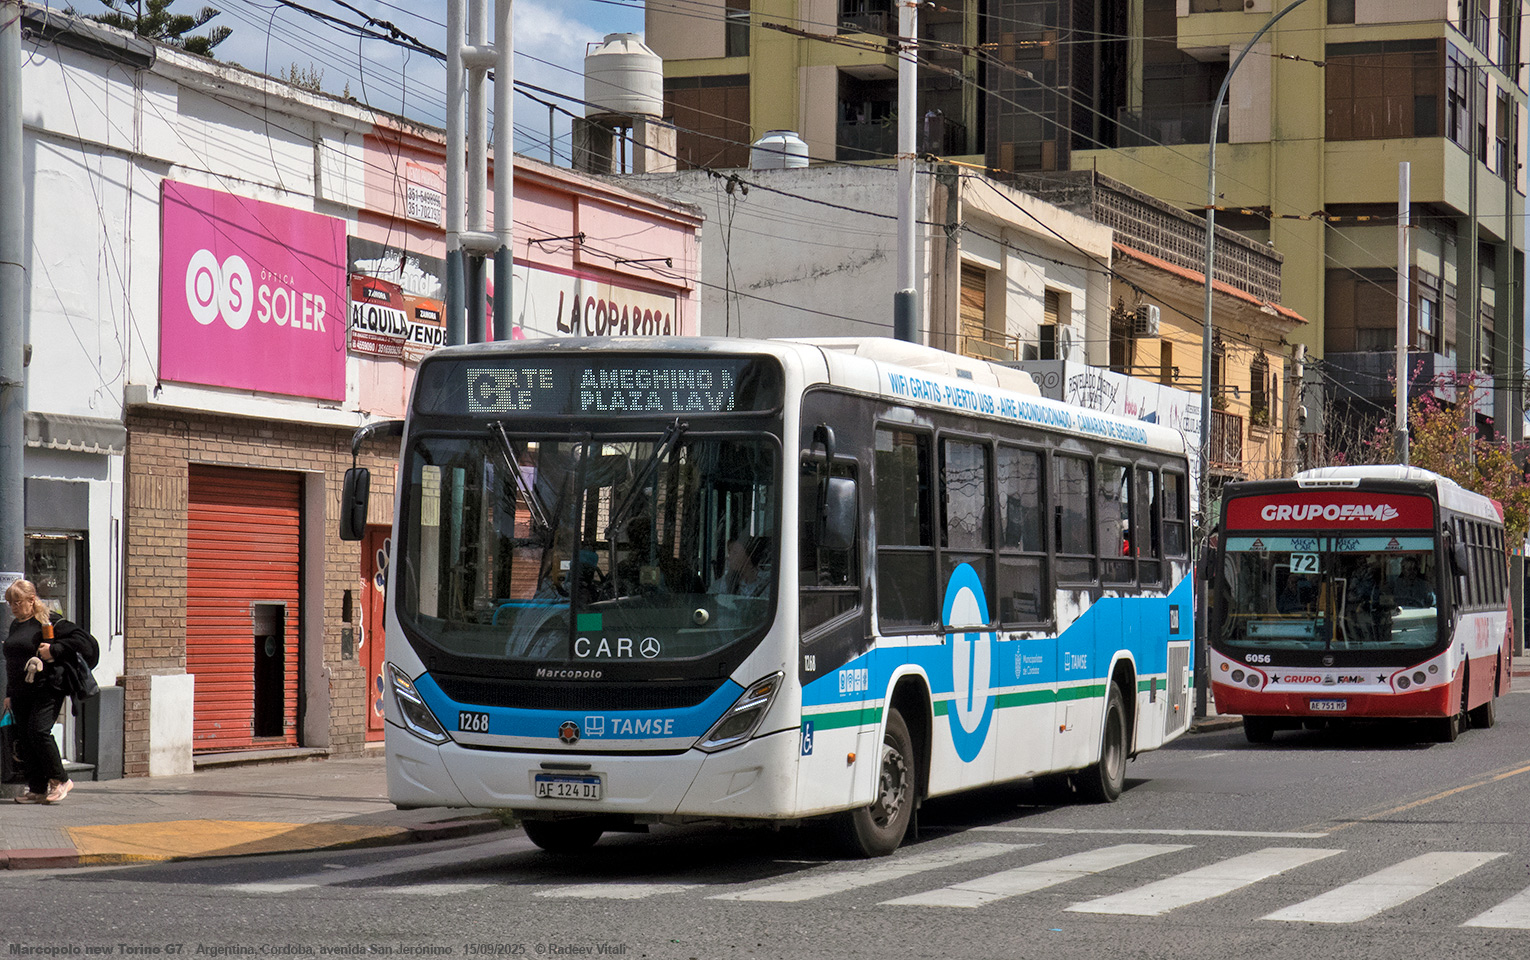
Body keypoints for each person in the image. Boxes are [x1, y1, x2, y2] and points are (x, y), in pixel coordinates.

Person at [3, 579, 92, 804]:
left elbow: (83, 641)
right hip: (20, 691)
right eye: (10, 603)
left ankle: (60, 780)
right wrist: (9, 694)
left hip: (47, 688)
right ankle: (37, 788)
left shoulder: (48, 620)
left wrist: (54, 649)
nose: (13, 607)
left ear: (32, 600)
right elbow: (12, 662)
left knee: (39, 732)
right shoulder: (16, 625)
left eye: (17, 602)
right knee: (24, 737)